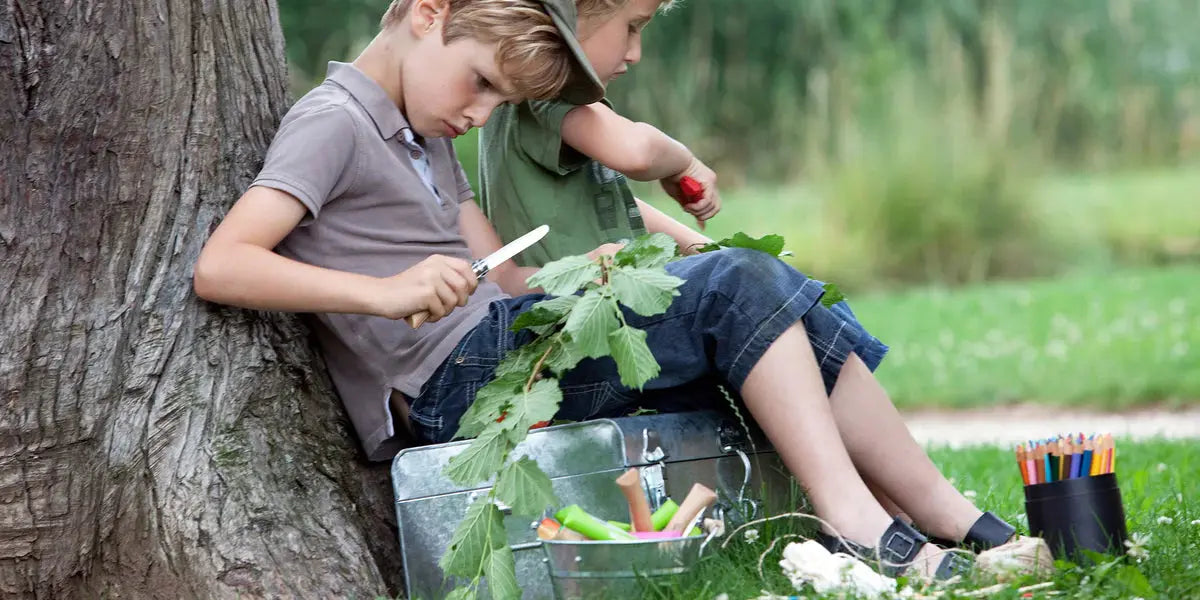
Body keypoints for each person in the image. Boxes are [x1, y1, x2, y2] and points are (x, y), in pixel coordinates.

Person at [194, 0, 1015, 579]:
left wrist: (588, 276)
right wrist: (380, 294)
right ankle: (857, 525)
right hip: (459, 387)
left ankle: (948, 519)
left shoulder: (422, 127)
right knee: (737, 282)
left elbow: (505, 277)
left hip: (514, 342)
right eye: (480, 83)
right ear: (428, 12)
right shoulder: (334, 121)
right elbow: (222, 265)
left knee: (777, 295)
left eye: (497, 98)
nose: (480, 114)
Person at [479, 0, 718, 272]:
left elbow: (604, 204)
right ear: (574, 14)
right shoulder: (544, 94)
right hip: (576, 294)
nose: (635, 54)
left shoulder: (539, 99)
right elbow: (637, 153)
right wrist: (685, 164)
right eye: (631, 27)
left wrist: (706, 250)